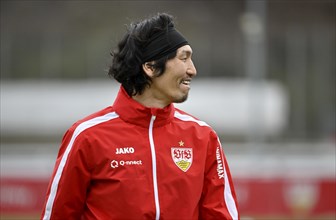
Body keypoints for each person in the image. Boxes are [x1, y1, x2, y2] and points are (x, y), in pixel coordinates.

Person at [41, 12, 239, 220]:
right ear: (151, 67)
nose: (193, 70)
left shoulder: (204, 137)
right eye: (184, 58)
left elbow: (221, 215)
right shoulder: (86, 136)